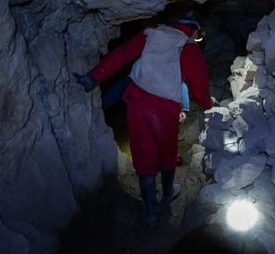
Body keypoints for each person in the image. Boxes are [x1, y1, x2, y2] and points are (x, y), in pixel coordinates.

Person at [73, 11, 213, 225]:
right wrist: (209, 104)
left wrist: (93, 76)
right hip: (165, 109)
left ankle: (150, 209)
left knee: (142, 151)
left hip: (137, 101)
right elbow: (199, 87)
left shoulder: (153, 32)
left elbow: (124, 54)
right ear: (194, 30)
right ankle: (167, 193)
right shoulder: (190, 47)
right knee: (167, 151)